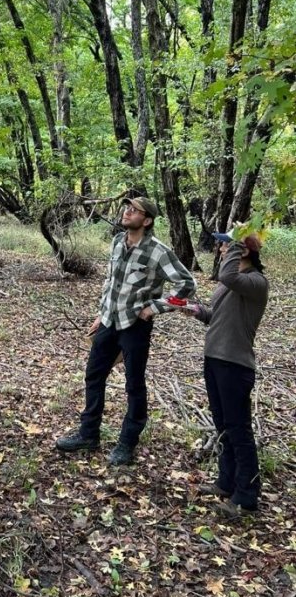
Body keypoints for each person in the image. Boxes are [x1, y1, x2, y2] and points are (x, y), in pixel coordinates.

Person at [56, 196, 196, 465]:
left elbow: (187, 285)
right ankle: (88, 435)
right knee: (93, 377)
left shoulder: (158, 251)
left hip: (135, 326)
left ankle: (127, 443)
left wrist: (155, 307)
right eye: (127, 208)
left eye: (135, 210)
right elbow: (112, 282)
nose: (127, 211)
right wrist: (101, 313)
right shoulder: (117, 242)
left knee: (134, 385)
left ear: (147, 220)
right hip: (109, 322)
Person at [188, 230, 268, 519]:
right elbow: (217, 317)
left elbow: (229, 276)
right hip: (215, 359)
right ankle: (226, 482)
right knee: (222, 426)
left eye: (227, 245)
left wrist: (237, 241)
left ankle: (246, 497)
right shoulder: (232, 284)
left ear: (243, 251)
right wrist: (196, 311)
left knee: (238, 429)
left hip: (235, 365)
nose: (221, 249)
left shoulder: (256, 282)